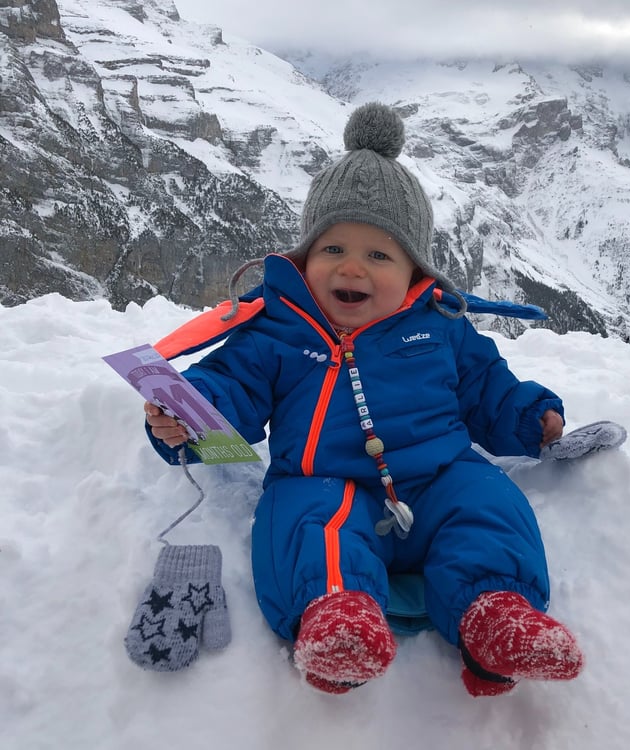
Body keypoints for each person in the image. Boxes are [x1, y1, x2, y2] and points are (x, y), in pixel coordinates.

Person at [144, 102, 584, 697]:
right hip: (326, 482)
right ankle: (338, 618)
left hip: (438, 480)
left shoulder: (440, 326)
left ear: (414, 272)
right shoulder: (277, 331)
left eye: (379, 255)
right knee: (305, 519)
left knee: (488, 501)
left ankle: (496, 616)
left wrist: (530, 417)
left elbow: (487, 388)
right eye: (332, 250)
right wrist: (191, 413)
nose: (352, 268)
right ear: (305, 258)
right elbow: (233, 384)